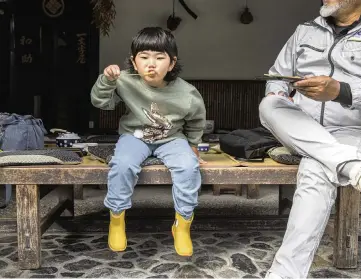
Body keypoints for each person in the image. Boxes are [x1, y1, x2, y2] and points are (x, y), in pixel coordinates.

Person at [259, 0, 361, 278]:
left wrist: (342, 91)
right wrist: (278, 92)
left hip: (351, 132)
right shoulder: (304, 31)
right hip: (302, 129)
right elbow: (276, 76)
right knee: (268, 106)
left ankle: (284, 274)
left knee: (315, 170)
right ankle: (352, 167)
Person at [90, 27, 206, 257]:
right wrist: (106, 80)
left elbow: (196, 121)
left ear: (171, 63)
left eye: (159, 58)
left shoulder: (187, 92)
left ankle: (182, 225)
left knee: (188, 167)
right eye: (143, 57)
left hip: (172, 138)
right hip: (134, 136)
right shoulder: (124, 80)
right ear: (134, 62)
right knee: (122, 165)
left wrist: (193, 146)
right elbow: (100, 102)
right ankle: (116, 219)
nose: (151, 64)